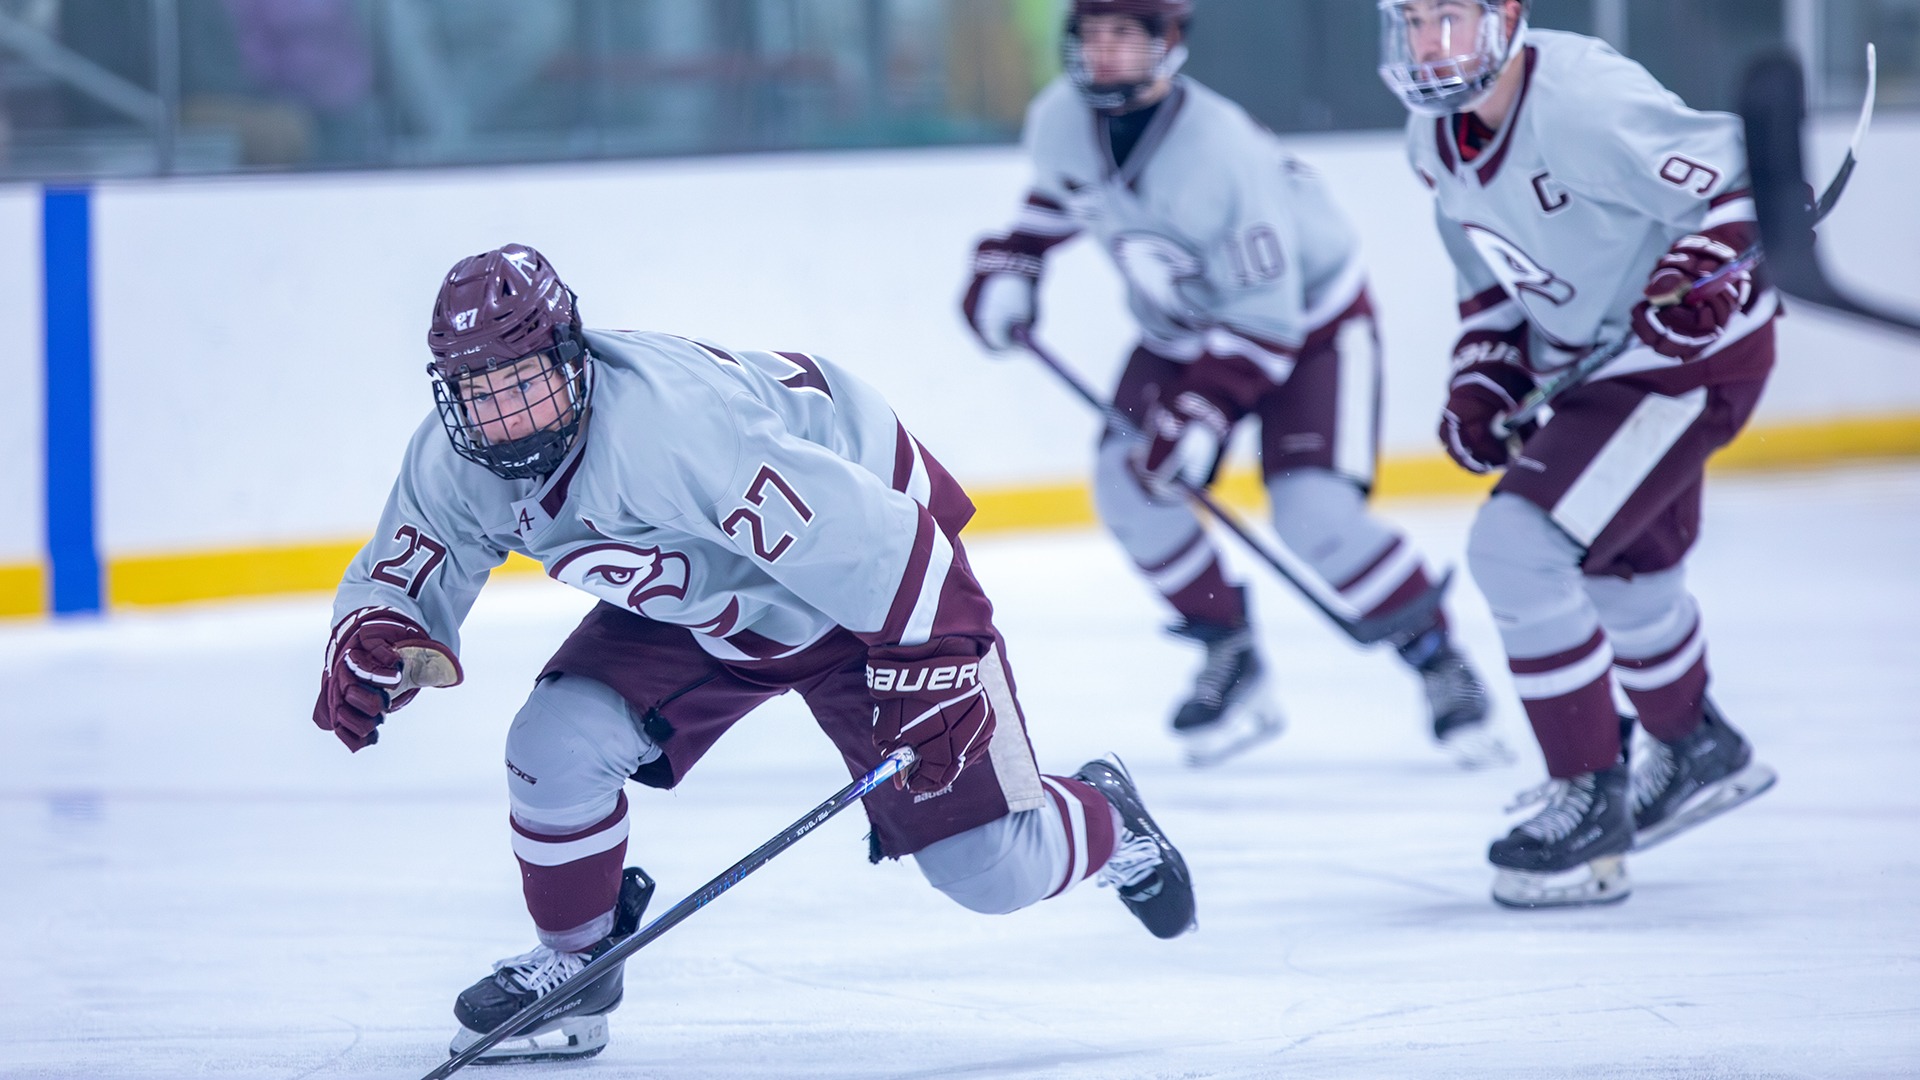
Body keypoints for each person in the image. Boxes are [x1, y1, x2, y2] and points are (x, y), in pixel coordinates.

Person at [309, 244, 1196, 1063]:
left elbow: (893, 548)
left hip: (866, 595)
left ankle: (1109, 819)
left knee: (993, 870)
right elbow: (405, 569)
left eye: (522, 383)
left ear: (570, 354)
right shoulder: (456, 458)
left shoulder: (674, 435)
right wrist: (380, 635)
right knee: (554, 746)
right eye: (477, 392)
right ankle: (576, 974)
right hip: (711, 602)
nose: (502, 417)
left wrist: (936, 666)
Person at [962, 0, 1504, 769]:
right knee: (1127, 485)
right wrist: (1014, 261)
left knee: (1315, 514)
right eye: (1091, 35)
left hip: (1310, 329)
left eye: (1125, 36)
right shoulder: (1058, 118)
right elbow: (1065, 194)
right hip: (1180, 330)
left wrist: (1201, 415)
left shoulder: (1220, 153)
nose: (1104, 53)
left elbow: (1267, 318)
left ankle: (1437, 658)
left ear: (1169, 44)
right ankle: (1231, 651)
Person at [1377, 0, 1778, 908]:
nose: (1433, 45)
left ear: (1507, 18)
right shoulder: (1431, 136)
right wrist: (1484, 375)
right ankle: (1695, 746)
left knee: (1517, 551)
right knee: (1620, 578)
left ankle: (1588, 797)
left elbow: (1738, 182)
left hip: (1683, 364)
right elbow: (1488, 274)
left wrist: (1700, 277)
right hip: (1595, 372)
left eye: (1451, 20)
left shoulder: (1582, 96)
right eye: (1414, 23)